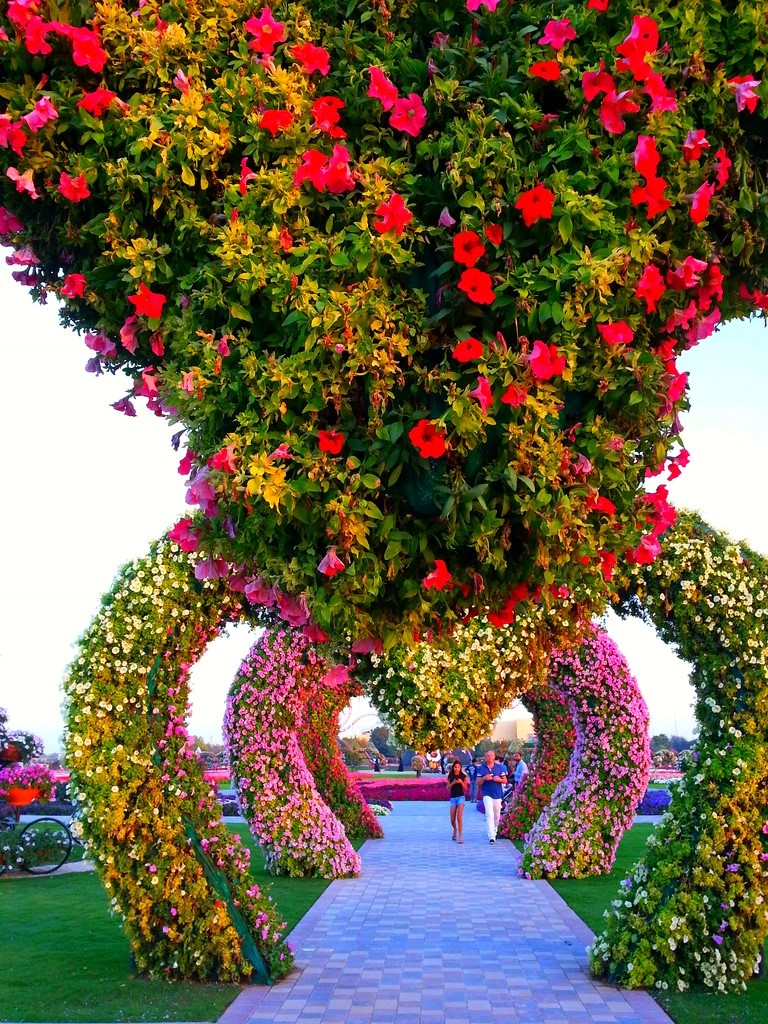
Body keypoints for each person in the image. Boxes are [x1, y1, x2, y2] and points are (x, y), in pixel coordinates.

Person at [476, 748, 507, 843]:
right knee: (489, 813)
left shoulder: (499, 768)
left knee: (497, 814)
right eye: (488, 756)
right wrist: (484, 778)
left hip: (497, 793)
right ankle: (491, 836)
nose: (489, 757)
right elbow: (478, 782)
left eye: (491, 756)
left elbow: (505, 780)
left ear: (494, 757)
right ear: (485, 757)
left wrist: (499, 780)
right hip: (487, 793)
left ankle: (494, 829)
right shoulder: (481, 768)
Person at [446, 759, 468, 843]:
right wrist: (453, 783)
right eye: (455, 767)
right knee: (452, 819)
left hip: (461, 797)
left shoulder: (463, 776)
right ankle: (455, 829)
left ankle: (460, 836)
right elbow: (448, 788)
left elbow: (466, 788)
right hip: (453, 798)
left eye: (458, 767)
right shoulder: (450, 776)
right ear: (453, 767)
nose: (457, 769)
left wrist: (461, 782)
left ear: (460, 768)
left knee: (459, 817)